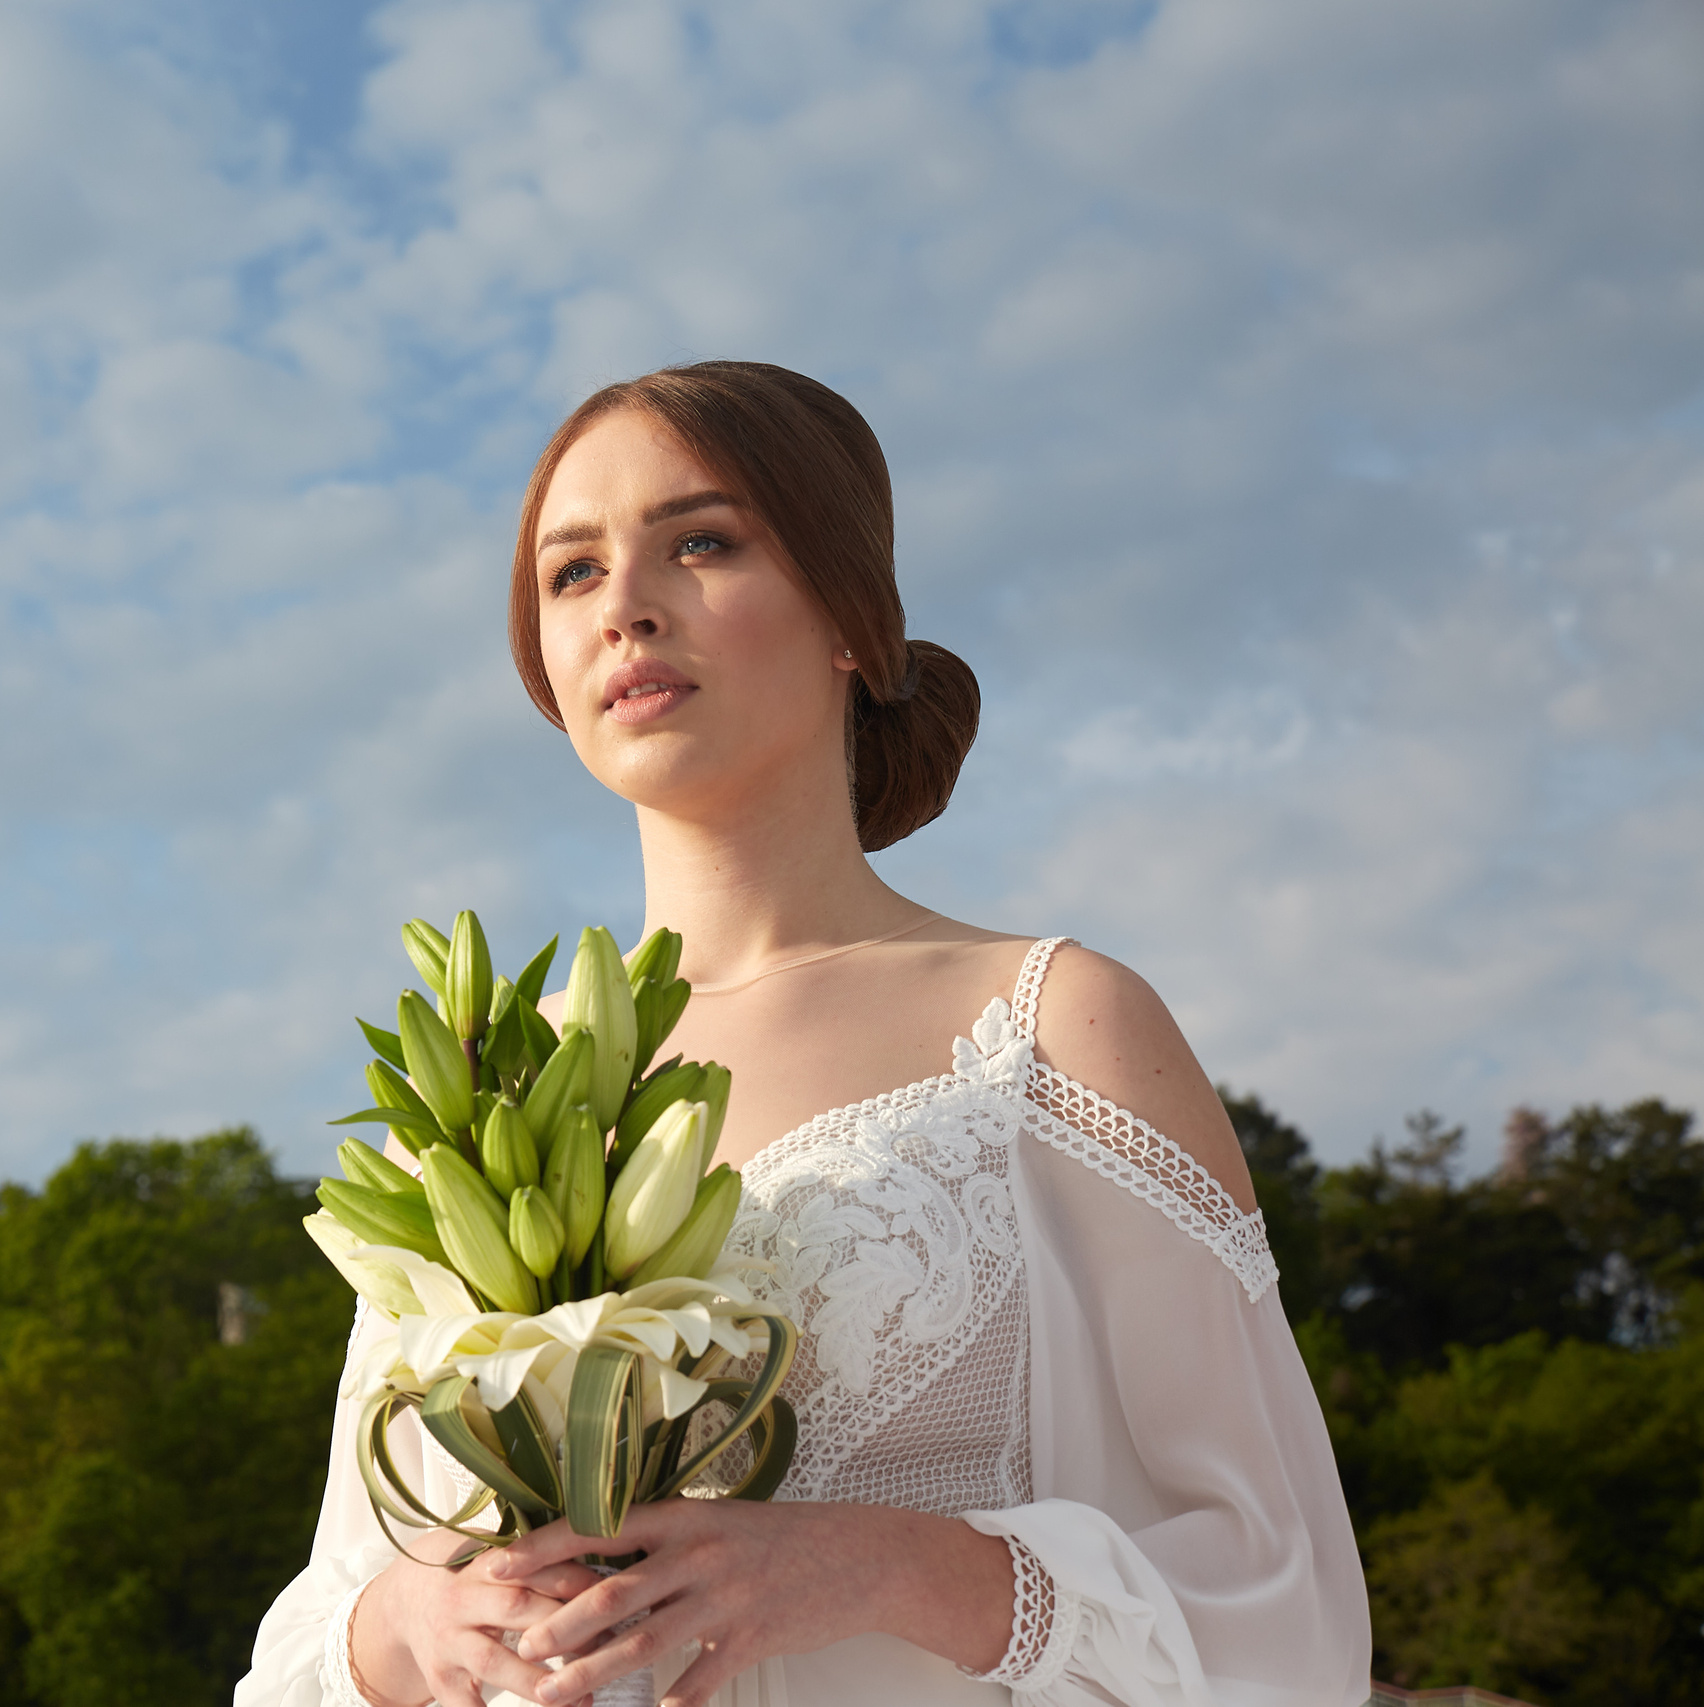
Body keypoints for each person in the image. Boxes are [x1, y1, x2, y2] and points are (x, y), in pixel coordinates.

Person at [238, 362, 1370, 1707]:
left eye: (700, 542)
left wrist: (888, 1568)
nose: (629, 608)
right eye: (574, 573)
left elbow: (1284, 1611)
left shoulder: (1052, 1027)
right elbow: (321, 1629)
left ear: (848, 613)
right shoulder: (490, 1084)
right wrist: (418, 1628)